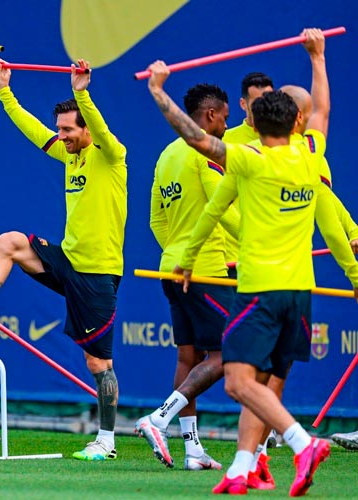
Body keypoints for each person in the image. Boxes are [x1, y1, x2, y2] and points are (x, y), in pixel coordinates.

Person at [147, 29, 358, 496]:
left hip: (260, 290)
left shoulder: (247, 161)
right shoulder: (310, 155)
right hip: (300, 295)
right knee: (265, 386)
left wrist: (160, 91)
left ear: (254, 125)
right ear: (297, 124)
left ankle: (303, 443)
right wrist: (318, 57)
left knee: (239, 383)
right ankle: (245, 468)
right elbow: (323, 110)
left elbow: (197, 138)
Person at [0, 57, 127, 461]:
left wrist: (82, 93)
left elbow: (102, 130)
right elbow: (34, 132)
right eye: (60, 129)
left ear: (87, 128)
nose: (62, 137)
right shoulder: (70, 156)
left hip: (98, 274)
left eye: (69, 130)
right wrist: (4, 92)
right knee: (9, 241)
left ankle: (107, 441)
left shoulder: (111, 156)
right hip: (68, 260)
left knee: (98, 362)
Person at [137, 84, 238, 471]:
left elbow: (156, 220)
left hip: (171, 268)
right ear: (210, 115)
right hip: (205, 269)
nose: (227, 126)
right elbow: (221, 206)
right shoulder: (203, 147)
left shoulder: (166, 155)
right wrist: (253, 239)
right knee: (228, 354)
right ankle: (159, 418)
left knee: (189, 356)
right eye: (226, 118)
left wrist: (177, 252)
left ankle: (193, 450)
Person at [221, 73, 273, 277]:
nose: (263, 109)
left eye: (268, 101)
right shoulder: (224, 141)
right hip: (237, 259)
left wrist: (352, 231)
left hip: (276, 255)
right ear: (243, 104)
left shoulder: (287, 140)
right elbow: (216, 205)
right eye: (257, 103)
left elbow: (321, 192)